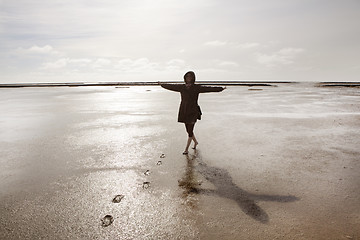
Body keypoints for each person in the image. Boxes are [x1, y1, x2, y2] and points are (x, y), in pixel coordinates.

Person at [161, 71, 225, 155]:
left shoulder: (196, 87)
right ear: (185, 78)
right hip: (184, 110)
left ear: (193, 78)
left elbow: (208, 88)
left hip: (193, 111)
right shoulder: (182, 87)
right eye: (187, 76)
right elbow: (171, 86)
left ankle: (186, 149)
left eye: (190, 77)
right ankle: (196, 142)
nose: (189, 78)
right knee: (188, 130)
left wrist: (220, 88)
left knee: (190, 130)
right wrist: (162, 84)